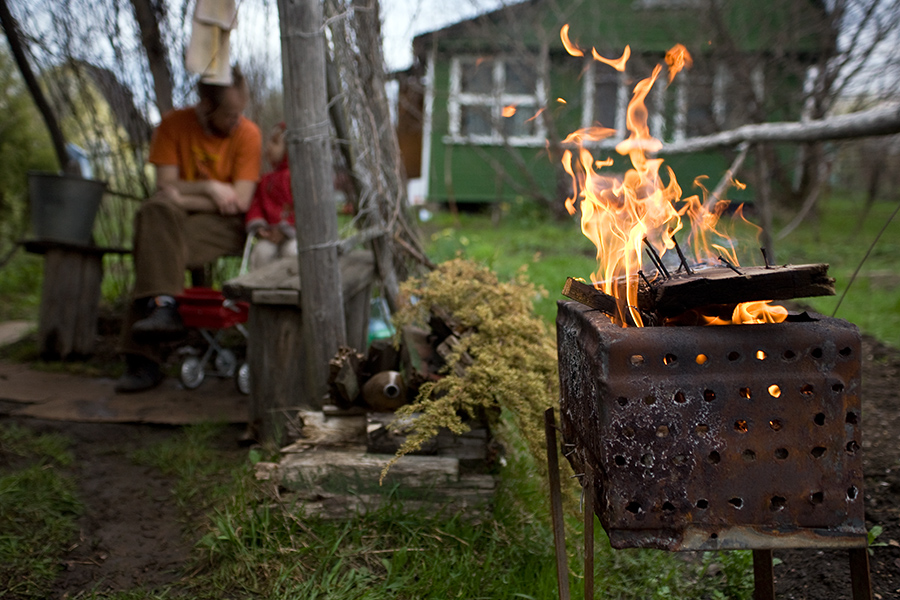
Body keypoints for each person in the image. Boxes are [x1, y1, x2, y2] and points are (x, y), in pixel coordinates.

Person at [115, 66, 262, 393]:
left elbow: (239, 201)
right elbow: (163, 186)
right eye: (228, 114)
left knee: (155, 235)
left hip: (224, 226)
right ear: (205, 107)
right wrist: (210, 188)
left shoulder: (248, 134)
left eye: (240, 113)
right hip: (175, 219)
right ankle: (164, 309)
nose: (236, 121)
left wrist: (183, 197)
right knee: (155, 214)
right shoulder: (172, 125)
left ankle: (145, 354)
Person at [245, 122, 297, 271]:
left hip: (293, 236)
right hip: (270, 236)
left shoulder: (295, 178)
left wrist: (285, 231)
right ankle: (260, 291)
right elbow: (257, 205)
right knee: (261, 253)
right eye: (269, 141)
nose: (268, 146)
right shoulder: (266, 180)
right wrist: (259, 226)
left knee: (292, 252)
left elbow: (301, 209)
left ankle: (291, 291)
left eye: (275, 142)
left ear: (289, 148)